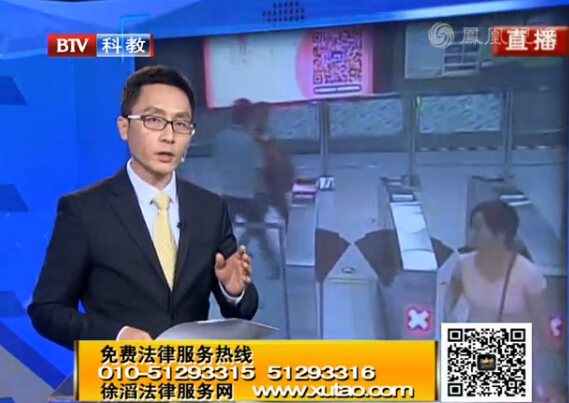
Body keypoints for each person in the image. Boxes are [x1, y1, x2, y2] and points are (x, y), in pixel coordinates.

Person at [28, 66, 258, 350]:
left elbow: (244, 309)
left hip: (190, 372)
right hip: (121, 373)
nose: (169, 136)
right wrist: (116, 336)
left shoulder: (210, 209)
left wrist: (233, 290)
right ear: (124, 128)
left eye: (181, 124)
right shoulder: (83, 211)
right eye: (154, 120)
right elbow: (47, 310)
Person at [445, 199, 563, 395]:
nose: (472, 234)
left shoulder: (527, 274)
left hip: (513, 355)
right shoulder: (463, 265)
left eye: (478, 228)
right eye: (472, 227)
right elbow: (452, 295)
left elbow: (542, 327)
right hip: (473, 350)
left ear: (500, 234)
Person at [213, 99, 280, 278]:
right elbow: (260, 169)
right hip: (248, 196)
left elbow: (217, 163)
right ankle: (274, 269)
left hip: (227, 194)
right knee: (260, 232)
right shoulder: (249, 141)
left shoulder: (221, 138)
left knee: (222, 235)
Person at [251, 102, 295, 229]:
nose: (265, 116)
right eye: (263, 113)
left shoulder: (266, 132)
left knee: (281, 211)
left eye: (266, 114)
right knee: (259, 219)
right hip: (262, 182)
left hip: (272, 180)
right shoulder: (252, 135)